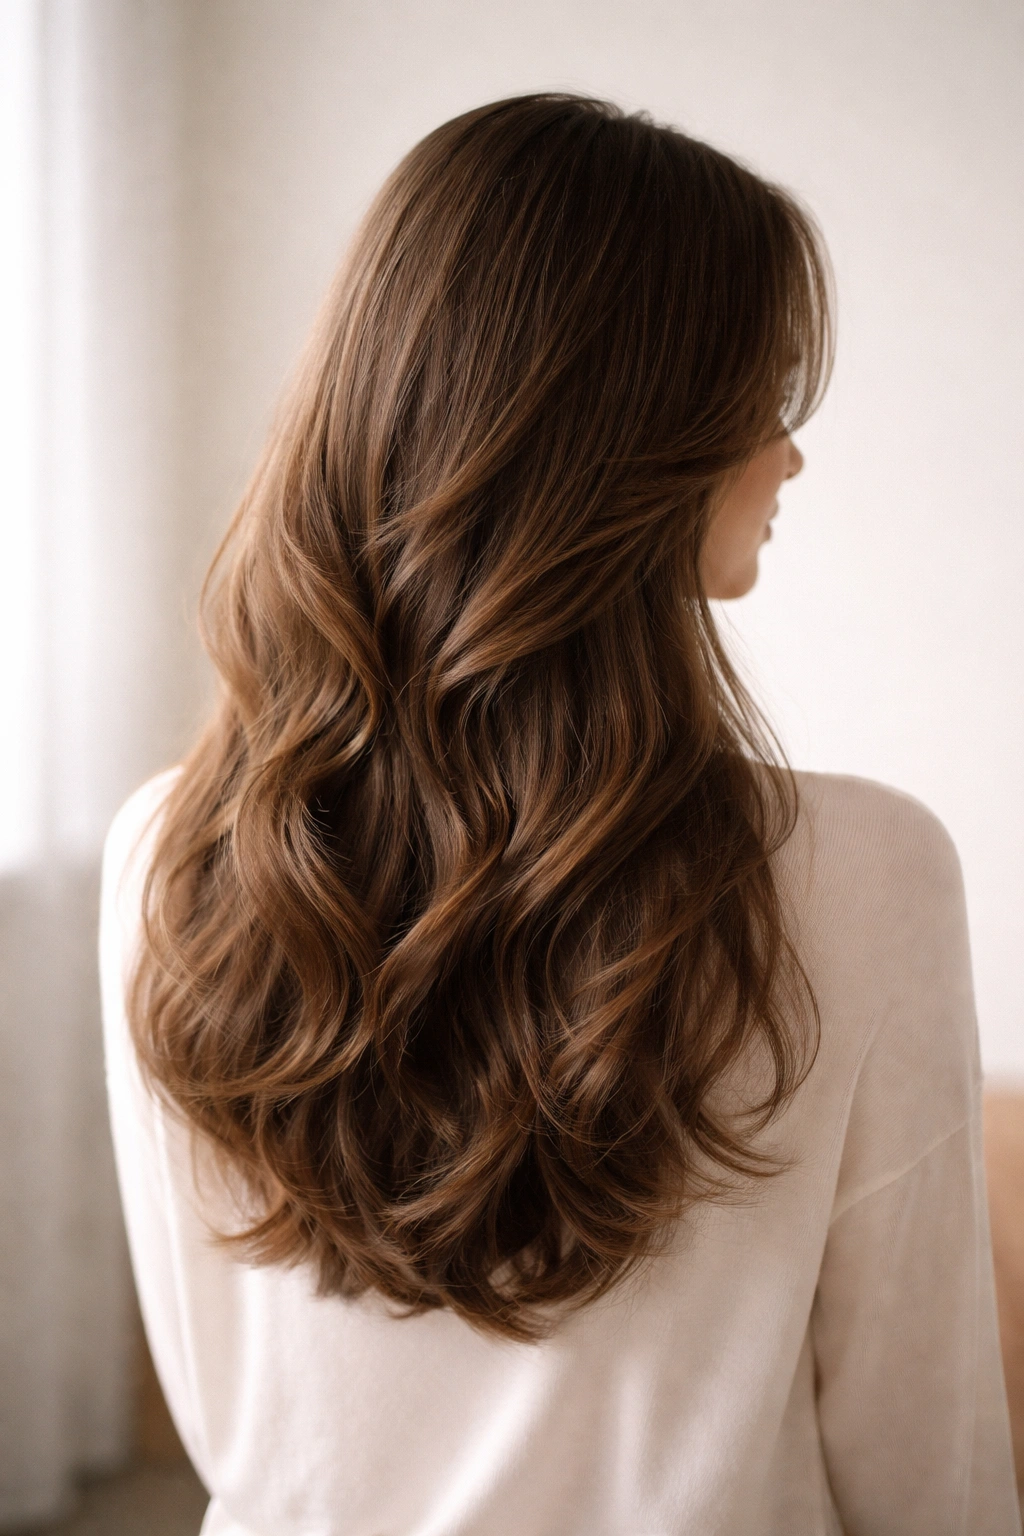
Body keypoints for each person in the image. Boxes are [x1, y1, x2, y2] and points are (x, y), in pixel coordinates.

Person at [99, 93, 1020, 1534]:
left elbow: (236, 1423)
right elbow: (926, 1462)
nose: (791, 457)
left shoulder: (174, 850)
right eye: (762, 396)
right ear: (625, 433)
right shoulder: (871, 872)